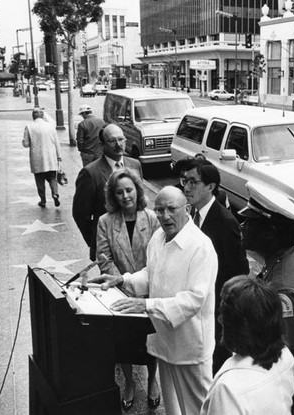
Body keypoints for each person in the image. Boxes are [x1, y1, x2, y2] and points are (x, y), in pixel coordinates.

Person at [91, 186, 218, 415]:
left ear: (187, 209)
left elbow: (194, 299)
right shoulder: (159, 237)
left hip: (190, 348)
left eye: (171, 209)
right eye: (159, 210)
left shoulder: (201, 247)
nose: (165, 216)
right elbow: (151, 273)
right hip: (164, 342)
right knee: (173, 409)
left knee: (199, 410)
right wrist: (123, 280)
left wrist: (146, 305)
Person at [238, 181, 294, 414]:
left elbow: (291, 359)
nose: (242, 225)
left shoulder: (284, 292)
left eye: (250, 222)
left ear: (271, 234)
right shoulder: (289, 255)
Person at [96, 168, 160, 411]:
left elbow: (157, 258)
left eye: (129, 190)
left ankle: (153, 382)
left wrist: (139, 283)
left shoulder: (152, 218)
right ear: (113, 195)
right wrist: (123, 283)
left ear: (137, 190)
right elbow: (104, 257)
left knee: (151, 341)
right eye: (119, 191)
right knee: (123, 343)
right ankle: (130, 383)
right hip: (120, 293)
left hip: (149, 291)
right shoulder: (105, 221)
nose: (125, 196)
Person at [182, 158, 249, 374]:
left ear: (210, 186)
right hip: (194, 304)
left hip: (215, 310)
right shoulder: (189, 214)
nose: (186, 187)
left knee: (213, 366)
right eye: (185, 181)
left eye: (193, 182)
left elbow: (239, 271)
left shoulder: (225, 222)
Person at [200, 276, 294, 415]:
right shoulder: (286, 356)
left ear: (238, 328)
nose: (220, 319)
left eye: (224, 315)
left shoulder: (228, 388)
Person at [72, 124, 143, 261]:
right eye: (112, 141)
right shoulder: (90, 173)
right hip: (108, 246)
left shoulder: (135, 165)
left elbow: (140, 200)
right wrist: (97, 241)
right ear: (101, 144)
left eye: (121, 139)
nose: (118, 144)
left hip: (137, 240)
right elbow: (80, 214)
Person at [22, 108, 62, 208]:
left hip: (37, 158)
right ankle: (55, 194)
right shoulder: (50, 126)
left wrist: (25, 141)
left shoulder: (29, 127)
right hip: (50, 157)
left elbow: (26, 144)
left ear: (33, 116)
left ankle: (43, 200)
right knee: (52, 178)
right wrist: (59, 157)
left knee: (40, 180)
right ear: (43, 115)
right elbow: (57, 143)